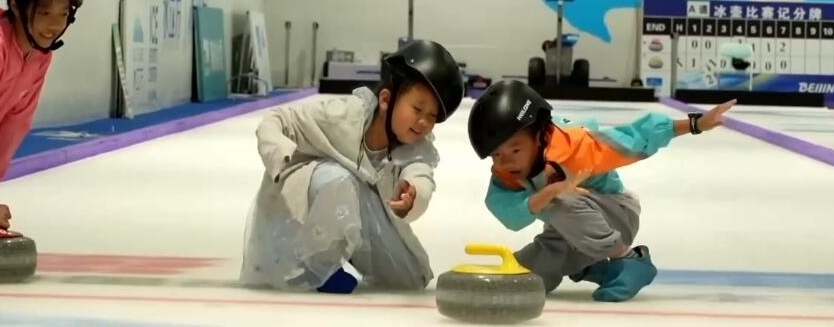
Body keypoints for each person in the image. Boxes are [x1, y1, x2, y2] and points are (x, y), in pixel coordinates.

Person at [466, 79, 736, 302]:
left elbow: (635, 136)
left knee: (561, 201)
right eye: (496, 155)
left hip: (616, 213)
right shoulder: (506, 174)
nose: (506, 162)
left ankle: (630, 260)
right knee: (525, 276)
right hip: (565, 232)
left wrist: (695, 124)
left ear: (540, 135)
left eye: (515, 150)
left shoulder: (576, 147)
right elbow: (510, 215)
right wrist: (549, 191)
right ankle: (594, 267)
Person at [240, 40, 465, 294]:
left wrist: (414, 196)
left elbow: (421, 175)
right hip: (303, 204)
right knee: (338, 178)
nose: (423, 122)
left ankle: (346, 245)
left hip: (354, 203)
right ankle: (322, 266)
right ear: (386, 100)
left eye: (432, 117)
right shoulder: (342, 116)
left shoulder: (417, 147)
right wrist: (280, 154)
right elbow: (278, 119)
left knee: (409, 278)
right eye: (417, 108)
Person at [0, 0, 84, 230]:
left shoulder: (39, 56)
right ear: (16, 5)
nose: (54, 24)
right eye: (44, 12)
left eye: (63, 13)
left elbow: (14, 124)